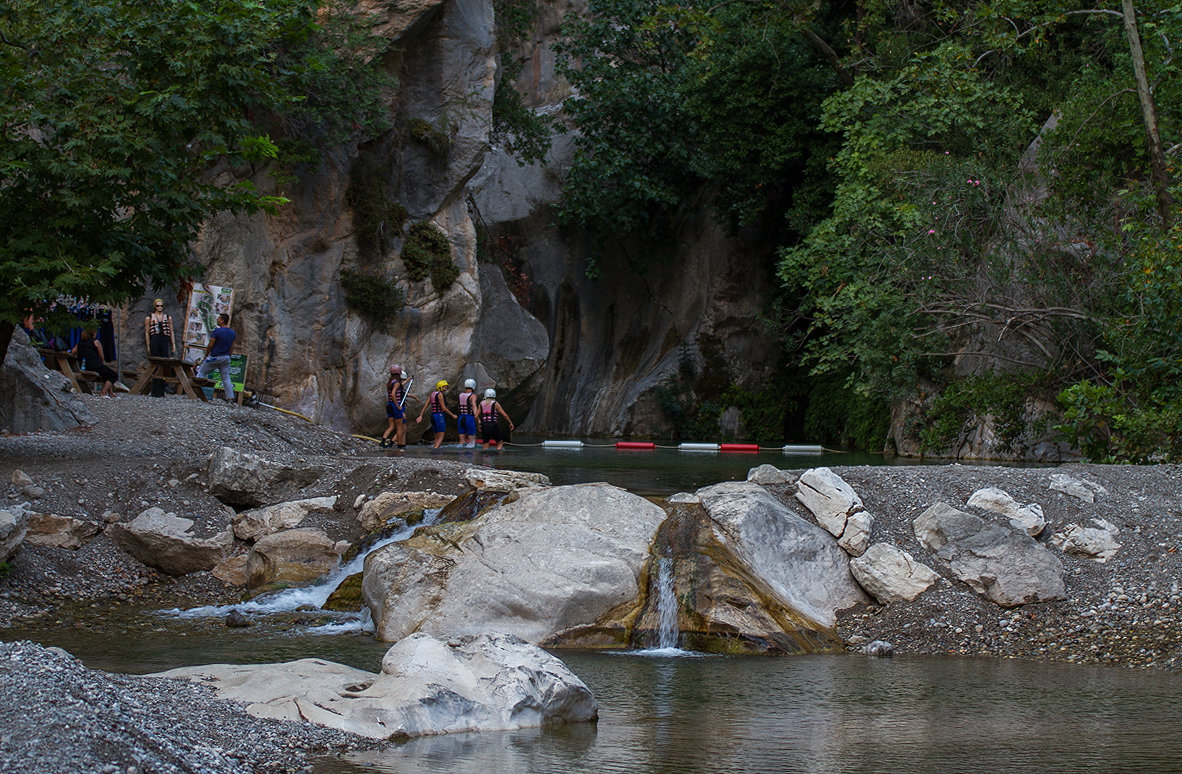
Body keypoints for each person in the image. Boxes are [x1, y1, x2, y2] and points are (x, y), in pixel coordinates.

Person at [196, 313, 236, 403]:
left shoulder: (217, 331)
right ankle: (230, 398)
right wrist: (229, 356)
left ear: (222, 321)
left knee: (201, 372)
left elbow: (210, 345)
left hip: (215, 357)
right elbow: (232, 347)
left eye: (218, 319)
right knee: (226, 377)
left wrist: (206, 355)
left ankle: (197, 393)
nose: (217, 320)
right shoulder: (232, 333)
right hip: (225, 357)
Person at [70, 329, 118, 397]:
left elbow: (72, 352)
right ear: (93, 334)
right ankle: (103, 392)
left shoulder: (79, 343)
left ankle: (110, 393)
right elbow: (101, 357)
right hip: (95, 365)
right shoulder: (96, 342)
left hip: (84, 366)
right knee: (113, 375)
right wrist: (101, 363)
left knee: (106, 374)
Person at [144, 299, 176, 397]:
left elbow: (171, 331)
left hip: (164, 340)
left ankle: (164, 384)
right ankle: (154, 386)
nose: (160, 308)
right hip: (155, 340)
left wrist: (173, 344)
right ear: (155, 306)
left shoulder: (168, 317)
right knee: (155, 363)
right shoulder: (149, 318)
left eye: (161, 306)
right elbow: (147, 332)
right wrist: (148, 345)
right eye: (158, 306)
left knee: (165, 363)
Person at [417, 380, 457, 449]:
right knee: (441, 435)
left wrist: (421, 415)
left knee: (437, 436)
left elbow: (426, 406)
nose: (445, 389)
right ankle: (435, 450)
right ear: (440, 387)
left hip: (432, 416)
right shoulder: (440, 395)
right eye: (444, 387)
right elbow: (443, 408)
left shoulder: (433, 394)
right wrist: (452, 415)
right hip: (439, 416)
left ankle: (435, 449)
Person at [382, 367, 416, 448]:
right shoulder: (396, 383)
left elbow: (399, 387)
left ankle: (384, 442)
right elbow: (395, 393)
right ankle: (400, 445)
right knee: (400, 428)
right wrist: (398, 406)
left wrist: (408, 380)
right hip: (396, 406)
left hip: (390, 405)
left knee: (394, 427)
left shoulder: (391, 382)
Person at [456, 378, 479, 448]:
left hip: (461, 418)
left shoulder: (461, 395)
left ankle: (461, 457)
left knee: (461, 443)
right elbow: (474, 407)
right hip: (469, 418)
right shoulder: (473, 396)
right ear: (474, 386)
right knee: (472, 444)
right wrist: (477, 418)